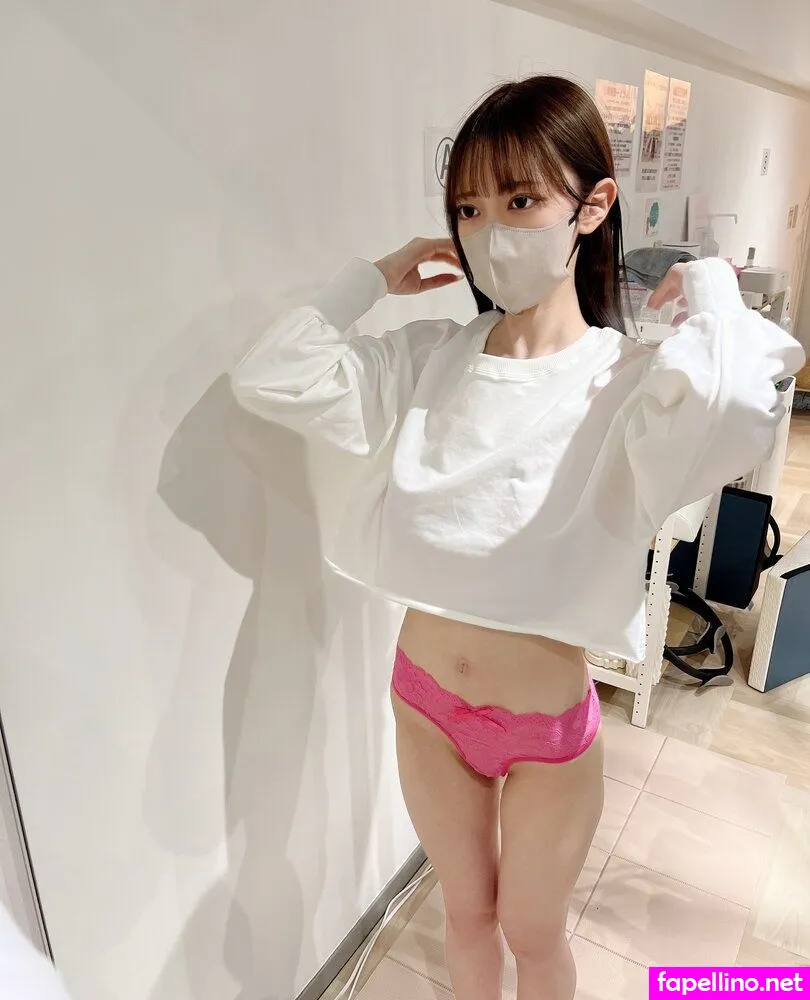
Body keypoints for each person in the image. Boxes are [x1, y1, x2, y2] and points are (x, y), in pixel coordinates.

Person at [230, 75, 805, 1000]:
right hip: (425, 705)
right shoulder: (426, 362)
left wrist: (707, 284)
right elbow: (271, 375)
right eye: (469, 207)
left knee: (534, 937)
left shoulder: (626, 382)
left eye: (521, 200)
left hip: (547, 731)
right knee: (465, 918)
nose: (490, 230)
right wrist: (371, 279)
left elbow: (738, 399)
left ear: (592, 207)